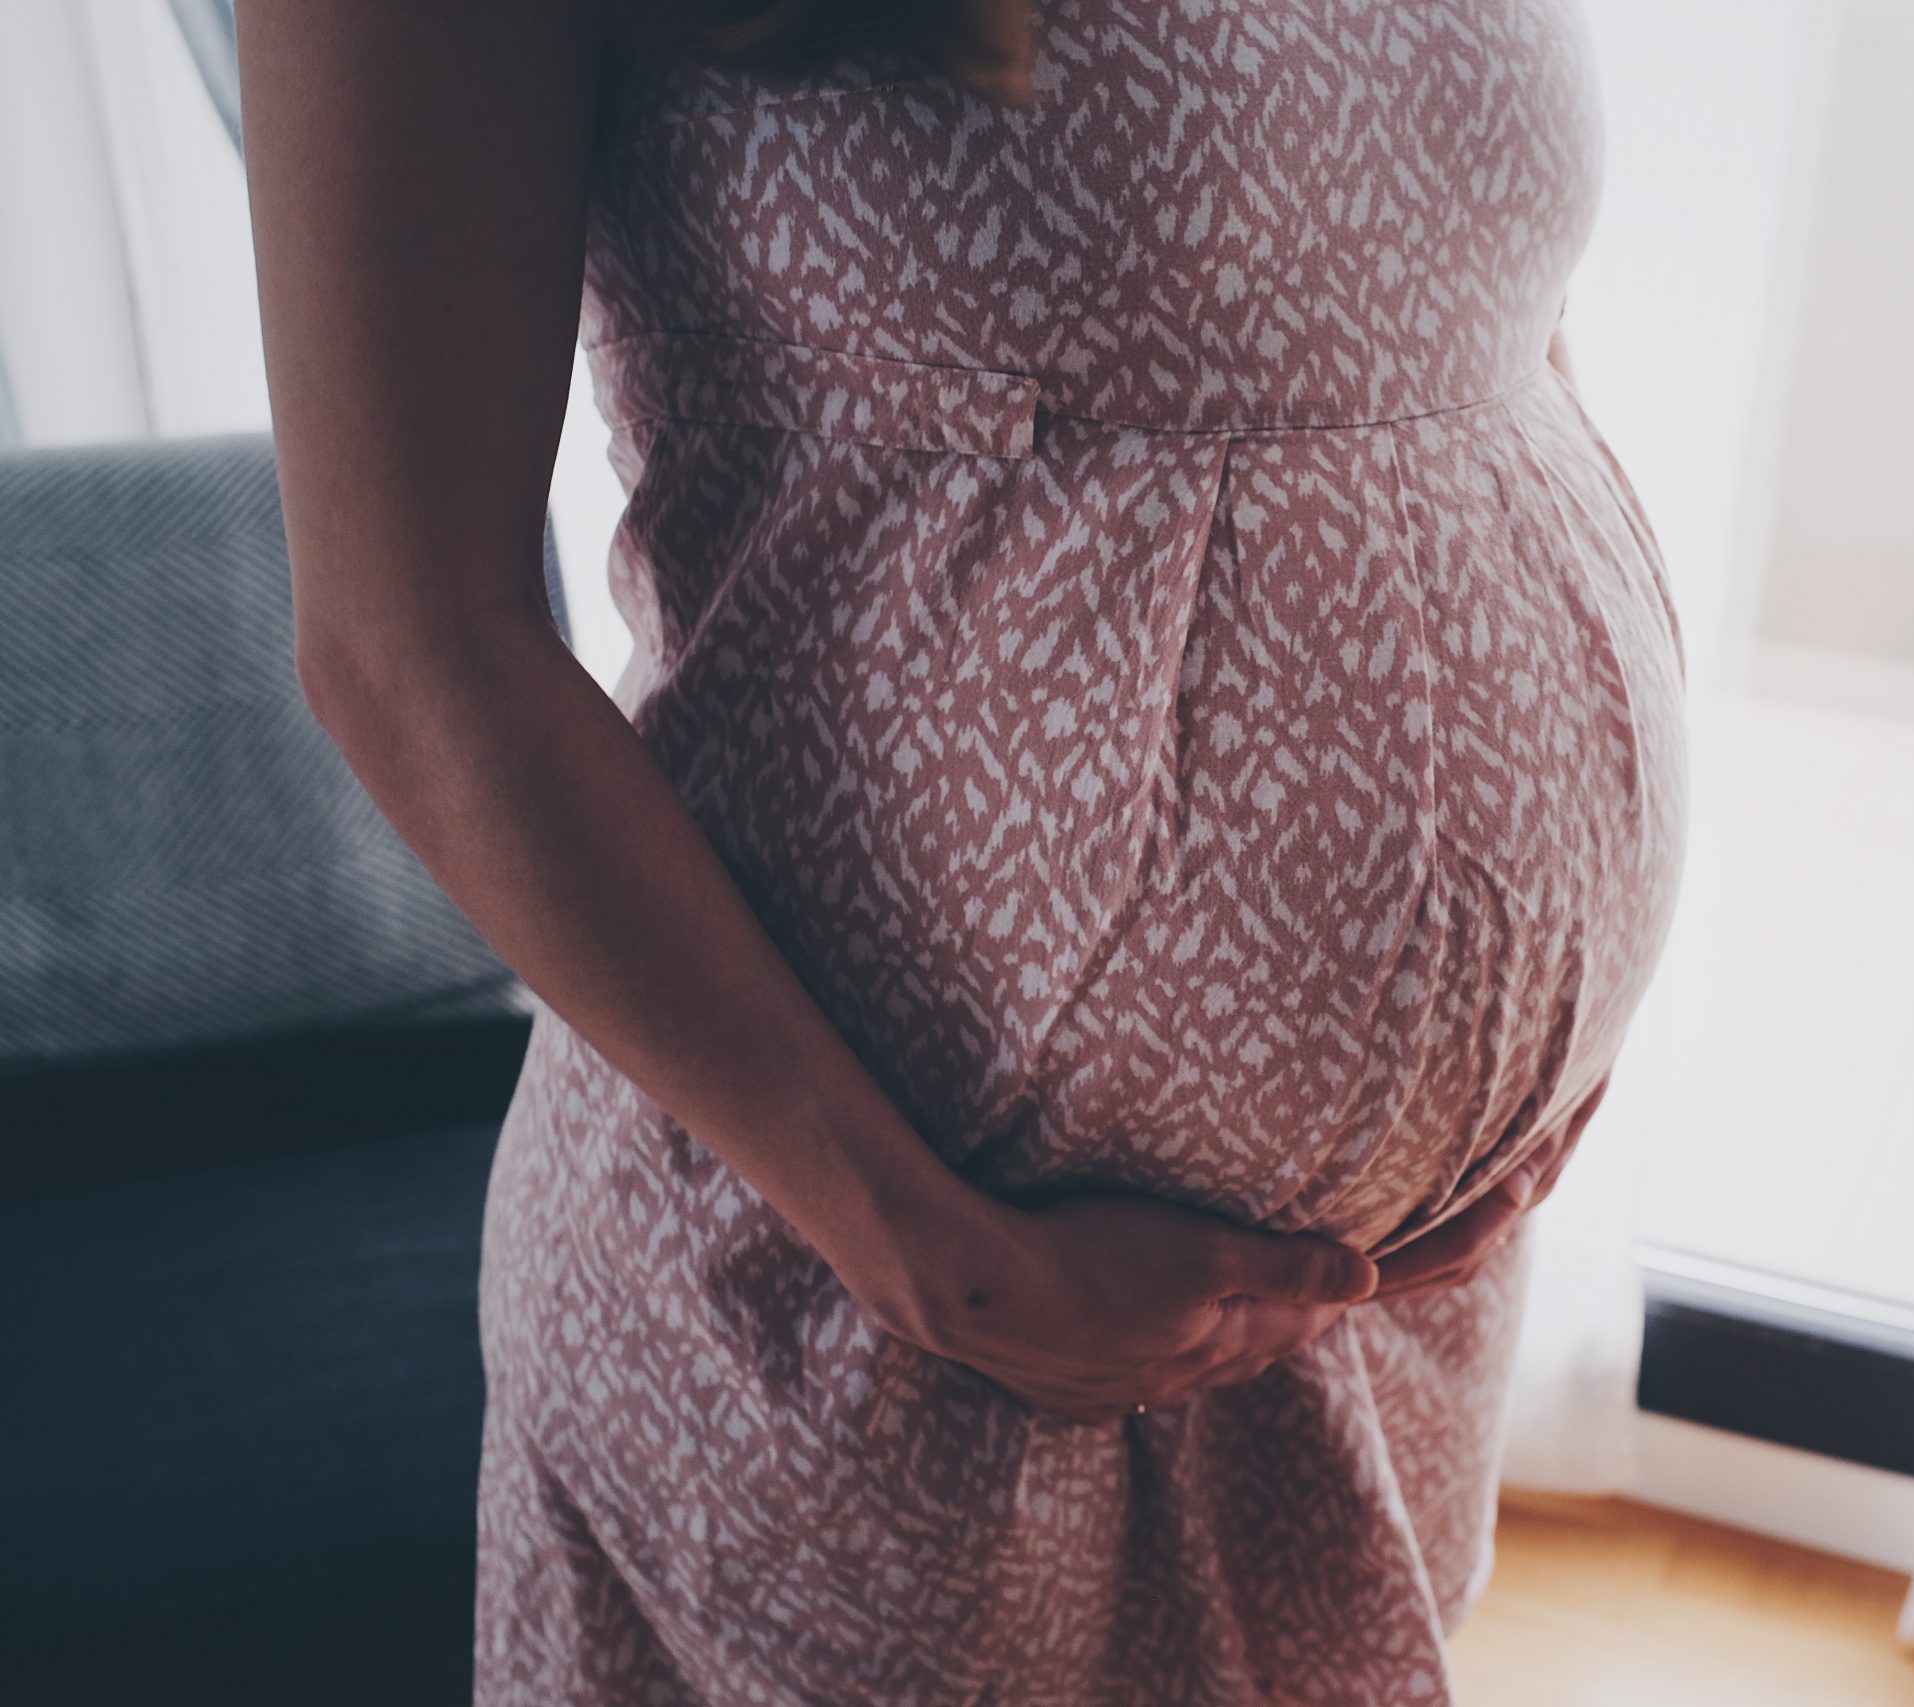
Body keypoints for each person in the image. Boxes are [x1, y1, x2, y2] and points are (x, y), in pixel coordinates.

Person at [236, 0, 1689, 1700]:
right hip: (877, 1299)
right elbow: (407, 639)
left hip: (1363, 1316)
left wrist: (1533, 1001)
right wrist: (945, 1262)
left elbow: (1479, 325)